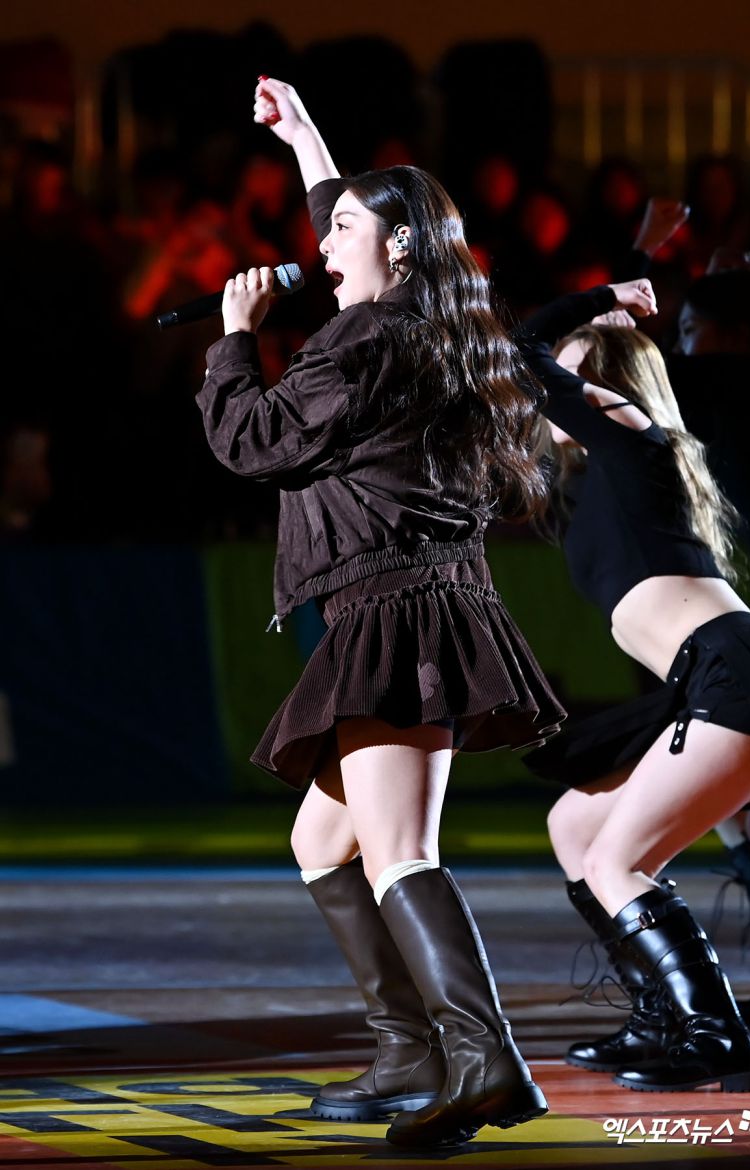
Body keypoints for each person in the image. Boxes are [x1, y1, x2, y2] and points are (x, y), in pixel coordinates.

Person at [194, 76, 566, 1149]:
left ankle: (487, 1063)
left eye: (342, 230)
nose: (320, 244)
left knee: (400, 850)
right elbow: (350, 217)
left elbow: (254, 441)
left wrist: (234, 339)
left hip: (401, 611)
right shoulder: (420, 325)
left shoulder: (361, 344)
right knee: (323, 839)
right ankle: (409, 1051)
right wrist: (307, 138)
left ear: (398, 246)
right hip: (414, 599)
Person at [514, 277, 750, 1093]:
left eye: (574, 374)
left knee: (617, 861)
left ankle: (718, 1037)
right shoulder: (602, 473)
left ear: (611, 388)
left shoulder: (636, 436)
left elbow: (521, 353)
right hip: (705, 684)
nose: (556, 389)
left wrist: (600, 296)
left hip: (733, 676)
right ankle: (660, 1019)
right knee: (577, 828)